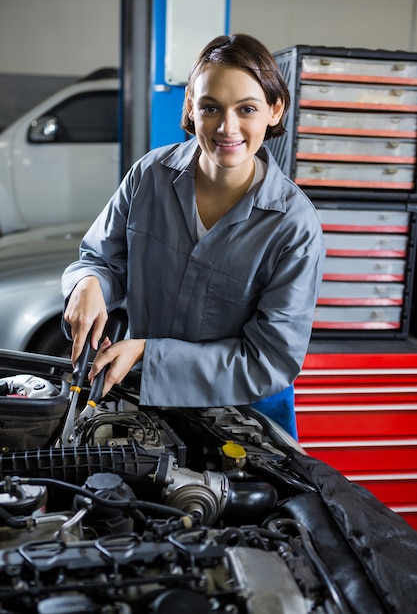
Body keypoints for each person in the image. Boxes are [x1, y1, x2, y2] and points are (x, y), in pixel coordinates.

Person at [61, 33, 326, 439]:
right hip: (141, 404)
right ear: (190, 105)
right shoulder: (149, 176)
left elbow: (270, 360)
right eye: (210, 107)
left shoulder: (293, 225)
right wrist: (86, 282)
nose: (227, 127)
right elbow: (100, 259)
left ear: (275, 110)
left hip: (243, 422)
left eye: (247, 109)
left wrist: (150, 354)